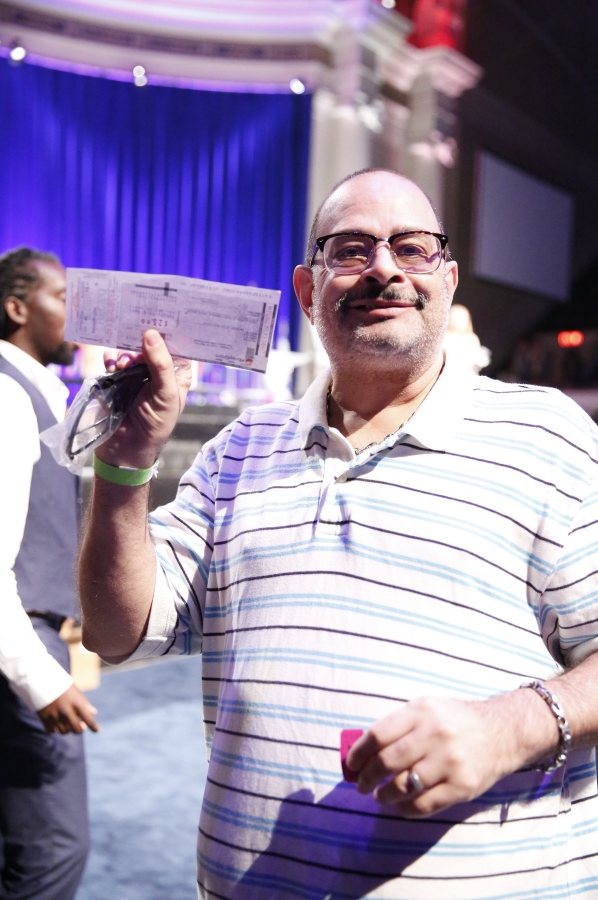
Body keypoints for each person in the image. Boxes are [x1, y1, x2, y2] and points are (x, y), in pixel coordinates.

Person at [78, 169, 598, 898]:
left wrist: (509, 726)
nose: (384, 267)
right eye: (352, 249)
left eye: (411, 248)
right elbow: (115, 632)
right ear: (306, 289)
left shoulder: (546, 437)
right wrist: (125, 464)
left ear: (447, 281)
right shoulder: (237, 453)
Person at [0, 247, 99, 900]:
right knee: (55, 849)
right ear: (17, 307)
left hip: (26, 634)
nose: (76, 311)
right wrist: (38, 678)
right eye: (62, 297)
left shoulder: (34, 391)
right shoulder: (7, 394)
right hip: (17, 643)